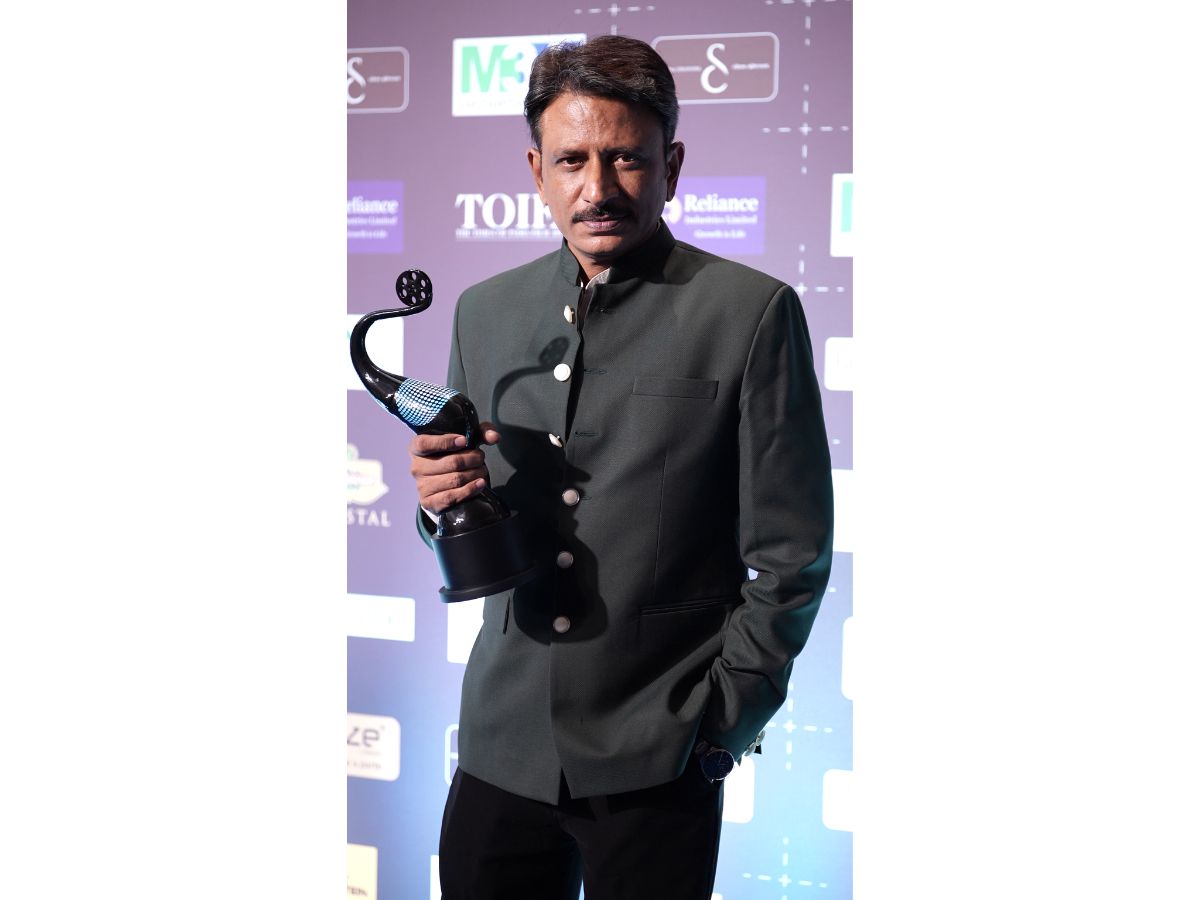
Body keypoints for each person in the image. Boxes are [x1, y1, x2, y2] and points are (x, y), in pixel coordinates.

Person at [409, 34, 833, 900]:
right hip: (499, 744)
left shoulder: (750, 313)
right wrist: (439, 504)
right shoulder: (483, 311)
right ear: (537, 171)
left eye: (626, 158)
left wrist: (718, 726)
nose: (597, 188)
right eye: (571, 160)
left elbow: (792, 556)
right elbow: (472, 517)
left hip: (659, 756)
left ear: (671, 165)